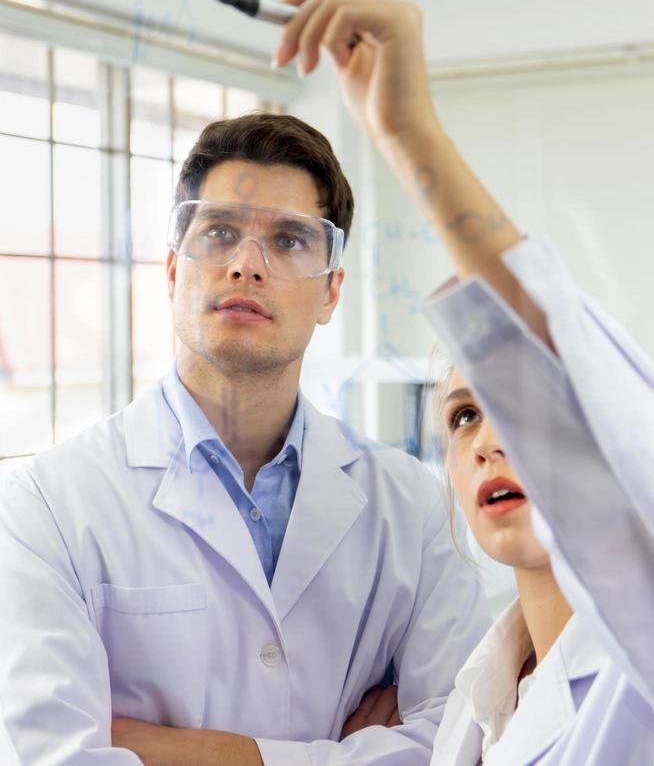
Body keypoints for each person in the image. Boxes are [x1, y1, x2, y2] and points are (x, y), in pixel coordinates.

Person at [0, 106, 490, 763]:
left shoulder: (415, 509)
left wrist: (187, 750)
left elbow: (462, 741)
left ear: (330, 293)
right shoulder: (48, 504)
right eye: (220, 232)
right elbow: (54, 754)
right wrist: (339, 752)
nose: (246, 265)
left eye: (289, 240)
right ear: (174, 270)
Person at [267, 0, 654, 764]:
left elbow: (568, 390)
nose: (486, 440)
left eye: (508, 407)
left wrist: (411, 135)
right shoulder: (479, 700)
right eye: (462, 416)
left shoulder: (633, 665)